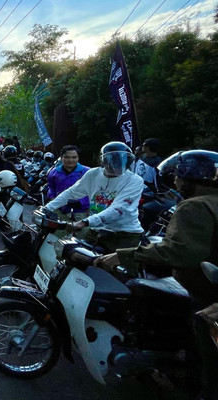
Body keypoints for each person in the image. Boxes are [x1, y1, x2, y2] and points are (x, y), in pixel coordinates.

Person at [94, 150, 218, 400]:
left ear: (188, 177)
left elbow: (181, 252)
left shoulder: (195, 206)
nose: (175, 181)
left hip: (206, 294)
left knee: (209, 359)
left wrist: (125, 255)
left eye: (178, 176)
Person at [44, 141, 143, 252]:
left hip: (123, 234)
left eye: (120, 162)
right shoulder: (93, 174)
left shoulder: (134, 180)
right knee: (70, 253)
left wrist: (85, 222)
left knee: (115, 266)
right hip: (96, 230)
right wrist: (47, 208)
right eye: (112, 161)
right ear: (104, 161)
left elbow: (119, 209)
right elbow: (72, 192)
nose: (116, 166)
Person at [46, 145, 90, 219]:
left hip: (81, 212)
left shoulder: (87, 172)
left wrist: (85, 203)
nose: (70, 160)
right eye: (67, 157)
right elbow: (51, 189)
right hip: (59, 211)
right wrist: (53, 199)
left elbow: (95, 191)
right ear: (61, 158)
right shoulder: (54, 172)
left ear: (78, 158)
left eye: (74, 157)